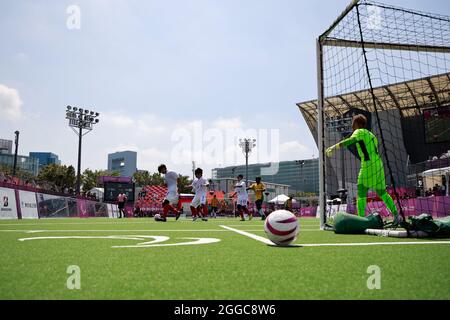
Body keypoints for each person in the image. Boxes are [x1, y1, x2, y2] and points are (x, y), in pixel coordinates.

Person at [326, 114, 402, 227]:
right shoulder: (371, 135)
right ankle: (397, 216)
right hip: (378, 165)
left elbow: (350, 140)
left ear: (356, 123)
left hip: (368, 164)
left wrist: (334, 147)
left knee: (361, 192)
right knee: (382, 193)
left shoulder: (359, 131)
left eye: (352, 123)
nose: (352, 125)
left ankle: (361, 220)